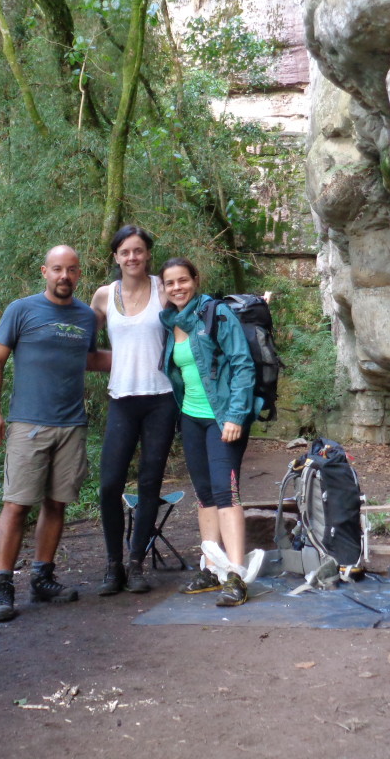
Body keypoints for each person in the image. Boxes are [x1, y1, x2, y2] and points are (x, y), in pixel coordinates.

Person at [0, 245, 109, 623]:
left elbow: (87, 359)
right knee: (17, 504)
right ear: (44, 271)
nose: (64, 277)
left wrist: (147, 356)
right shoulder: (20, 310)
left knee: (57, 503)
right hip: (28, 423)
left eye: (71, 270)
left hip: (71, 425)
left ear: (79, 274)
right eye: (57, 269)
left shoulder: (86, 316)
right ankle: (2, 585)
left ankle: (43, 577)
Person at [158, 257, 260, 607]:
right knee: (204, 495)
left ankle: (236, 574)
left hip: (223, 419)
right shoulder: (170, 320)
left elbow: (243, 364)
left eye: (182, 281)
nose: (177, 288)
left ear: (195, 280)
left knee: (225, 493)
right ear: (164, 288)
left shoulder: (216, 313)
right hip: (191, 418)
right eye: (170, 283)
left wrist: (235, 415)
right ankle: (211, 566)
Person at [89, 225, 179, 595]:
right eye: (125, 252)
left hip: (162, 398)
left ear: (147, 254)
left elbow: (187, 333)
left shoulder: (164, 289)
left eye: (138, 251)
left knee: (149, 483)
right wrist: (121, 362)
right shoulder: (103, 296)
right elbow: (85, 347)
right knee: (110, 483)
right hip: (122, 399)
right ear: (115, 257)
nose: (132, 258)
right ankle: (113, 565)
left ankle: (136, 562)